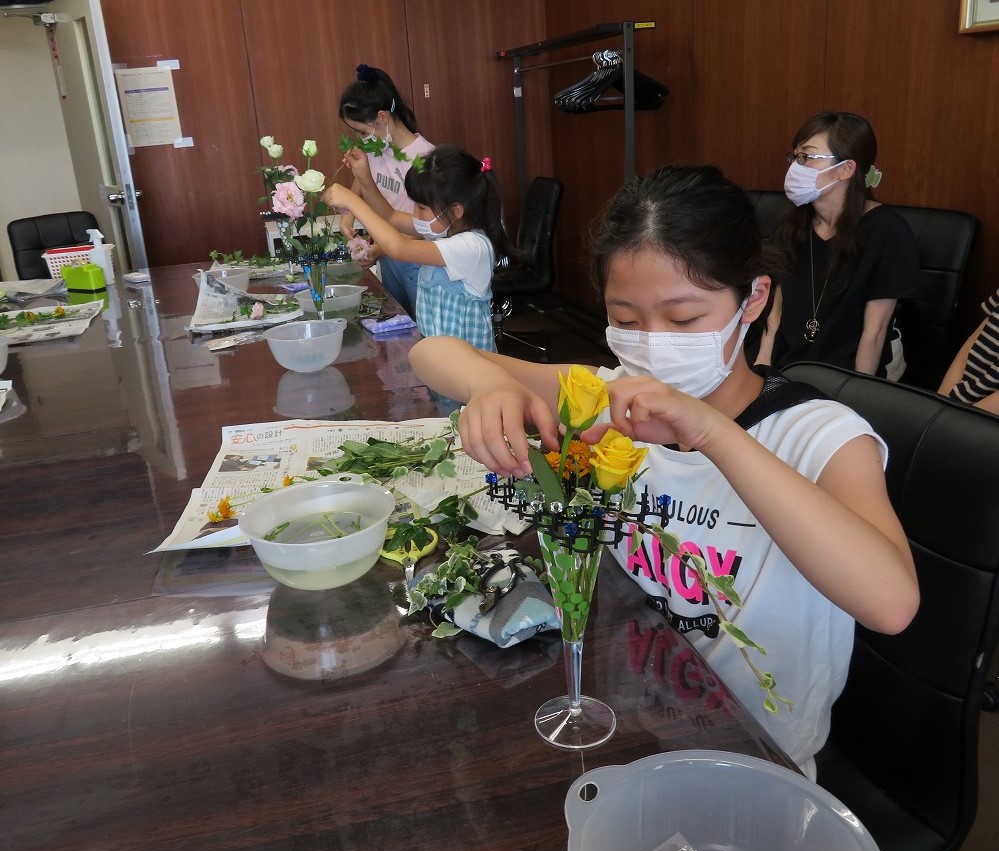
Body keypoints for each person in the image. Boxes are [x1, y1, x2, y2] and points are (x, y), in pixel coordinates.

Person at [409, 163, 919, 778]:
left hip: (754, 760)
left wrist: (708, 431)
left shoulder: (820, 436)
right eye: (625, 320)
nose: (652, 345)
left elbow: (890, 603)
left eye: (684, 321)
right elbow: (431, 354)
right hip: (629, 728)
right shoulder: (615, 396)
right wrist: (491, 385)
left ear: (753, 298)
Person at [754, 111, 921, 379]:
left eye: (807, 157)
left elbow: (875, 333)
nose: (796, 167)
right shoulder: (790, 222)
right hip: (790, 359)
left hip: (852, 367)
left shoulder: (887, 231)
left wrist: (856, 395)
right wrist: (763, 362)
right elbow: (777, 299)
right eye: (795, 157)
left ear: (846, 169)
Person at [324, 145, 509, 352]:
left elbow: (398, 248)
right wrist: (364, 179)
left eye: (422, 207)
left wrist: (352, 201)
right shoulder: (444, 229)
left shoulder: (472, 247)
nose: (415, 214)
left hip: (468, 369)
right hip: (443, 361)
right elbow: (390, 216)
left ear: (455, 211)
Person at [338, 64, 435, 316]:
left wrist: (381, 248)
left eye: (362, 131)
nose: (361, 138)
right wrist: (348, 214)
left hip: (416, 260)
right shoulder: (379, 146)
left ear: (382, 118)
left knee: (419, 329)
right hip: (387, 255)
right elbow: (363, 178)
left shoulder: (423, 157)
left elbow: (428, 225)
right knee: (398, 321)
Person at [938, 286, 999, 413]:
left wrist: (954, 420)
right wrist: (941, 402)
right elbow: (973, 346)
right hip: (961, 407)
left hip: (982, 420)